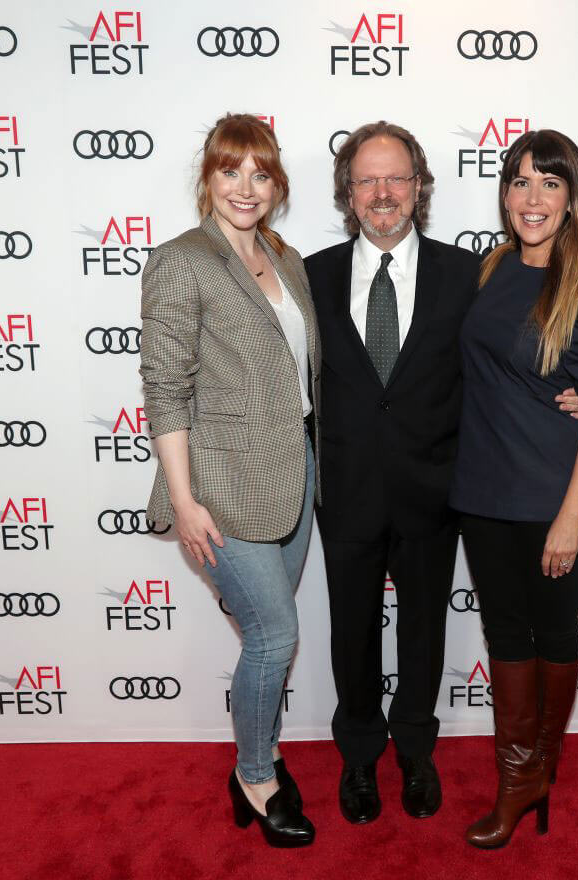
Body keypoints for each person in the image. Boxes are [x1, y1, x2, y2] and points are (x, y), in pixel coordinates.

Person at [303, 122, 578, 824]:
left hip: (437, 490)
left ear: (420, 186)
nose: (382, 193)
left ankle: (415, 752)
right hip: (347, 490)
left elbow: (535, 328)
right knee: (352, 632)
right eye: (366, 179)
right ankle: (361, 758)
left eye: (396, 178)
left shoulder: (473, 274)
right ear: (347, 192)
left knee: (424, 632)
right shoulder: (309, 276)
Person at [450, 129, 578, 848]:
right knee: (505, 633)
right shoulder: (492, 267)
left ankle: (542, 765)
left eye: (549, 184)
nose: (531, 198)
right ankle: (518, 776)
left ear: (572, 201)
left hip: (554, 495)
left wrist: (570, 518)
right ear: (505, 194)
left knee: (554, 630)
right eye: (520, 182)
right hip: (482, 488)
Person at [139, 113, 320, 848]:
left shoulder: (286, 256)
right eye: (230, 170)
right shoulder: (182, 260)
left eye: (261, 172)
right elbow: (164, 386)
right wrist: (183, 502)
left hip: (297, 474)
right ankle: (254, 773)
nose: (246, 186)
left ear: (276, 184)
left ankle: (266, 747)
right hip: (218, 486)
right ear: (207, 179)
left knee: (261, 634)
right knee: (275, 636)